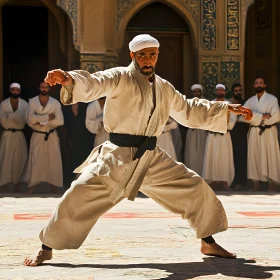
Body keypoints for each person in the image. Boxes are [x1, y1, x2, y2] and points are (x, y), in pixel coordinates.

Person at [24, 34, 252, 266]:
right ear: (133, 55)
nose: (147, 60)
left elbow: (188, 108)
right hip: (116, 158)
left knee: (194, 187)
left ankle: (208, 241)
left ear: (157, 56)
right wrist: (68, 79)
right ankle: (46, 247)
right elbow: (95, 82)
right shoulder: (119, 77)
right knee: (76, 196)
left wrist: (225, 109)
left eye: (152, 55)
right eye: (142, 55)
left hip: (151, 157)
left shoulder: (164, 87)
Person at [239, 77, 280, 192]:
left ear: (265, 85)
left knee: (269, 155)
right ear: (254, 85)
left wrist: (257, 120)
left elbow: (276, 116)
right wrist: (261, 116)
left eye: (261, 83)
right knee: (254, 156)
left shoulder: (272, 99)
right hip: (254, 132)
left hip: (268, 131)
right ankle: (255, 184)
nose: (259, 85)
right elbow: (242, 116)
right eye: (257, 83)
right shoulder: (250, 101)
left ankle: (272, 184)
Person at [24, 82, 64, 194]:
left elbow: (60, 121)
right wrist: (47, 117)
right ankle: (32, 186)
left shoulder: (55, 103)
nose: (44, 89)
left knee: (53, 159)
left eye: (46, 87)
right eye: (42, 87)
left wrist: (40, 121)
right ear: (39, 88)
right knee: (36, 159)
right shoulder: (32, 102)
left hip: (51, 135)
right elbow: (30, 120)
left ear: (49, 89)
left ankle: (54, 185)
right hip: (38, 135)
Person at [202, 84, 237, 191]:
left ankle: (225, 182)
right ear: (215, 91)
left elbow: (232, 121)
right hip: (212, 136)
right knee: (211, 157)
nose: (220, 92)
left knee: (224, 158)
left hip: (224, 136)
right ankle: (212, 181)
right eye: (218, 90)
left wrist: (221, 126)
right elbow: (205, 119)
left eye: (222, 90)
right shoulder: (210, 104)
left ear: (225, 92)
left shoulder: (229, 104)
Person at [0, 83, 28, 192]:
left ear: (19, 91)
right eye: (13, 90)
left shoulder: (24, 104)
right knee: (5, 158)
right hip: (7, 135)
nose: (15, 92)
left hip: (19, 134)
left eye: (17, 90)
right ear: (10, 90)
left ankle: (17, 183)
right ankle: (3, 183)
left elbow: (26, 120)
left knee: (19, 159)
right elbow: (3, 120)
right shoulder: (4, 104)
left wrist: (10, 116)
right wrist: (16, 117)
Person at [184, 84, 208, 176]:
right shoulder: (188, 102)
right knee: (192, 154)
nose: (196, 93)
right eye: (195, 91)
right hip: (192, 131)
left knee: (202, 153)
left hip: (202, 131)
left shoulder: (206, 103)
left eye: (198, 91)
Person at [230, 83, 249, 190]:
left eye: (239, 91)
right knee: (231, 159)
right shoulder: (229, 103)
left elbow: (247, 118)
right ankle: (232, 182)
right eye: (236, 91)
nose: (238, 93)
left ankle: (241, 183)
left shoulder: (245, 103)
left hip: (242, 135)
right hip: (230, 136)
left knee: (241, 159)